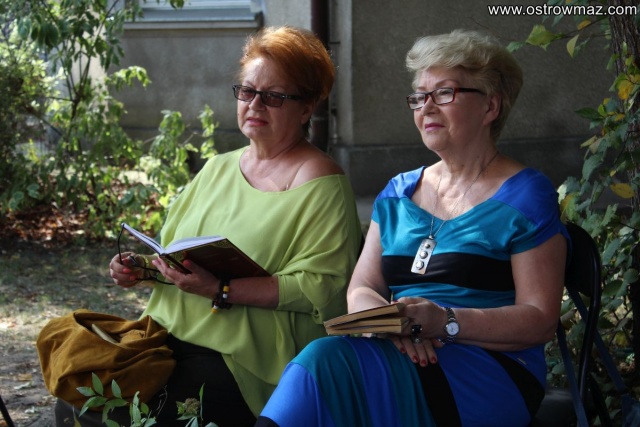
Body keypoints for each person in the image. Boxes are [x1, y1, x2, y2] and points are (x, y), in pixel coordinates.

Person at [255, 29, 569, 427]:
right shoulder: (397, 193)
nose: (427, 107)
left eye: (444, 93)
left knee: (326, 364)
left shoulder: (525, 195)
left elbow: (539, 318)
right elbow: (361, 289)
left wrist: (445, 320)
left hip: (489, 370)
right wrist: (394, 328)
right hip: (404, 352)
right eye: (419, 96)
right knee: (324, 363)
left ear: (490, 105)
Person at [54, 26, 362, 427]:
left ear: (306, 108)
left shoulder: (321, 183)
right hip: (166, 337)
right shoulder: (218, 168)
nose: (255, 104)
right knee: (75, 400)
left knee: (121, 416)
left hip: (246, 360)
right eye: (247, 91)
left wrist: (220, 289)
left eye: (274, 96)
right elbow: (179, 251)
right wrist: (145, 268)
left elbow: (324, 287)